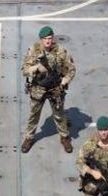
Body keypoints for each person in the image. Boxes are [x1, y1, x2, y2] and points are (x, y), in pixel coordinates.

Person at [20, 26, 76, 154]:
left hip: (55, 88)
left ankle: (65, 137)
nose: (48, 41)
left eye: (50, 38)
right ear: (41, 40)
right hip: (38, 88)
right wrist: (35, 68)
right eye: (45, 39)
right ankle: (29, 138)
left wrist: (64, 81)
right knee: (34, 114)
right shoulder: (33, 50)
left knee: (59, 114)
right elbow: (24, 70)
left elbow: (71, 69)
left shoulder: (61, 52)